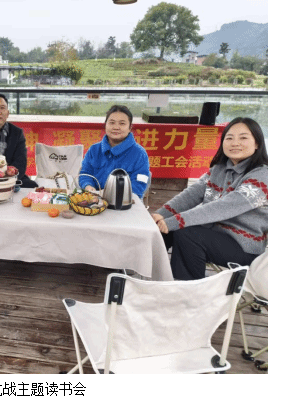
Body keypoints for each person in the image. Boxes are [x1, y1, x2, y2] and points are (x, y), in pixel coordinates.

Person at [151, 117, 268, 280]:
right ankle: (151, 279)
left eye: (243, 138)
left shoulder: (262, 176)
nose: (235, 143)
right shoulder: (219, 169)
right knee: (160, 230)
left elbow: (222, 208)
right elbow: (191, 194)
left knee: (186, 234)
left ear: (257, 144)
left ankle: (189, 291)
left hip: (243, 246)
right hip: (212, 234)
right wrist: (161, 215)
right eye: (229, 138)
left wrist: (175, 221)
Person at [78, 105, 150, 198]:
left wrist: (114, 196)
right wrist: (88, 187)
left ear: (130, 128)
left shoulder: (140, 154)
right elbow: (85, 173)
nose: (116, 127)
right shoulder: (94, 149)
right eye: (112, 123)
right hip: (95, 199)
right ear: (105, 125)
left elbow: (139, 184)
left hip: (125, 202)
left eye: (122, 123)